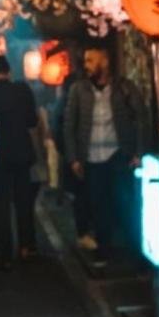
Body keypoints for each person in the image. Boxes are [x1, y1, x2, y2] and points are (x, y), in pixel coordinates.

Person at [64, 45, 147, 255]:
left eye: (91, 60)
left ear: (105, 62)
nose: (87, 66)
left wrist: (138, 152)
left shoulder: (124, 88)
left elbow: (141, 118)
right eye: (86, 61)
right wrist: (74, 158)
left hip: (119, 155)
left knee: (126, 204)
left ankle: (133, 251)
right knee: (99, 206)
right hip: (90, 158)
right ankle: (104, 249)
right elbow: (69, 124)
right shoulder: (79, 89)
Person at [0, 55, 40, 265]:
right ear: (9, 71)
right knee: (23, 201)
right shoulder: (22, 90)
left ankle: (6, 252)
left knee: (1, 204)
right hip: (21, 153)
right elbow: (32, 121)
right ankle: (28, 246)